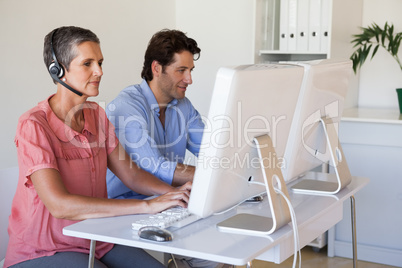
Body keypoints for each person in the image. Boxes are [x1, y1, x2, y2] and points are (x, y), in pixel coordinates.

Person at [4, 26, 191, 268]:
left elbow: (132, 174)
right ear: (58, 69)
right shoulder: (33, 125)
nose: (99, 71)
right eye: (87, 63)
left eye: (100, 62)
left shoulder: (96, 115)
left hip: (96, 238)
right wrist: (146, 205)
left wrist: (172, 195)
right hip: (45, 250)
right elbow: (59, 205)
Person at [106, 29, 204, 200]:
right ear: (157, 68)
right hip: (125, 208)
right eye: (181, 70)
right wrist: (213, 175)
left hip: (167, 201)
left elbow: (211, 150)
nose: (189, 79)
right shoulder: (126, 107)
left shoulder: (184, 106)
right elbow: (155, 167)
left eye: (190, 70)